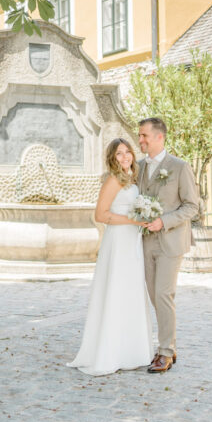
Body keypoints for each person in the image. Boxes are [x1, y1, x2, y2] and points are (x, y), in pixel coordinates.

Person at [68, 138, 153, 376]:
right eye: (119, 154)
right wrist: (133, 220)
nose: (125, 157)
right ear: (112, 159)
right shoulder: (113, 180)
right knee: (116, 291)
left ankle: (132, 351)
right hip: (117, 242)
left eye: (127, 152)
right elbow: (101, 215)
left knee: (131, 292)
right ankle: (111, 352)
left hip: (132, 242)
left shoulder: (132, 179)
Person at [137, 117, 199, 373]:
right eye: (139, 136)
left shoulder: (180, 167)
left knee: (163, 294)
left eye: (144, 136)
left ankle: (165, 352)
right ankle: (168, 345)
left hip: (170, 242)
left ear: (159, 137)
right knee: (154, 296)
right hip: (144, 243)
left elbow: (192, 206)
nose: (140, 140)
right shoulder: (138, 167)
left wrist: (165, 221)